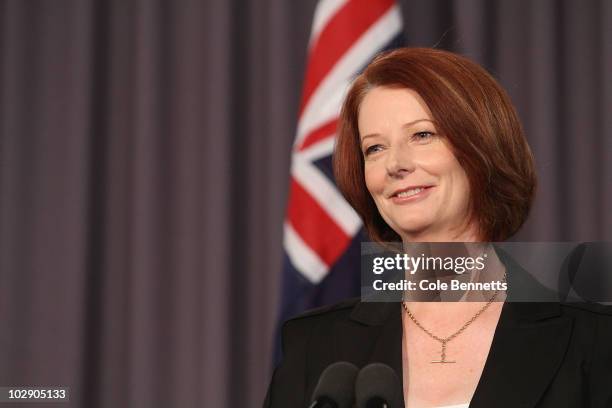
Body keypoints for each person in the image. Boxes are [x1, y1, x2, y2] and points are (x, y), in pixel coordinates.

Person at [263, 48, 612, 407]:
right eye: (375, 148)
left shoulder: (595, 342)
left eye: (422, 135)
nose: (395, 164)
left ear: (482, 146)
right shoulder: (313, 346)